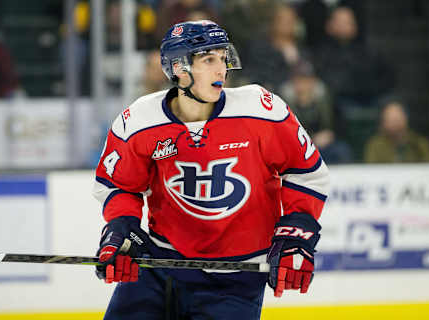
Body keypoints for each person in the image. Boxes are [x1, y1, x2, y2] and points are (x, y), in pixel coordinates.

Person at [93, 20, 329, 320]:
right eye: (208, 60)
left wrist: (297, 230)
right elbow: (119, 185)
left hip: (236, 278)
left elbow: (305, 171)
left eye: (223, 57)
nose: (222, 70)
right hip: (161, 265)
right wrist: (121, 227)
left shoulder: (261, 110)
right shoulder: (139, 120)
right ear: (178, 67)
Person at [280, 60, 353, 164]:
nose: (302, 86)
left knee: (341, 151)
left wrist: (330, 134)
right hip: (295, 147)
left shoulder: (326, 99)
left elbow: (341, 125)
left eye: (306, 81)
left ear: (313, 81)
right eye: (298, 81)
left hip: (323, 146)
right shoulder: (282, 102)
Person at [364, 101, 429, 163]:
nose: (395, 124)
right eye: (391, 120)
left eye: (397, 119)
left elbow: (427, 168)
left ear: (405, 119)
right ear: (383, 123)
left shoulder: (419, 144)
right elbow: (372, 171)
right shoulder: (375, 145)